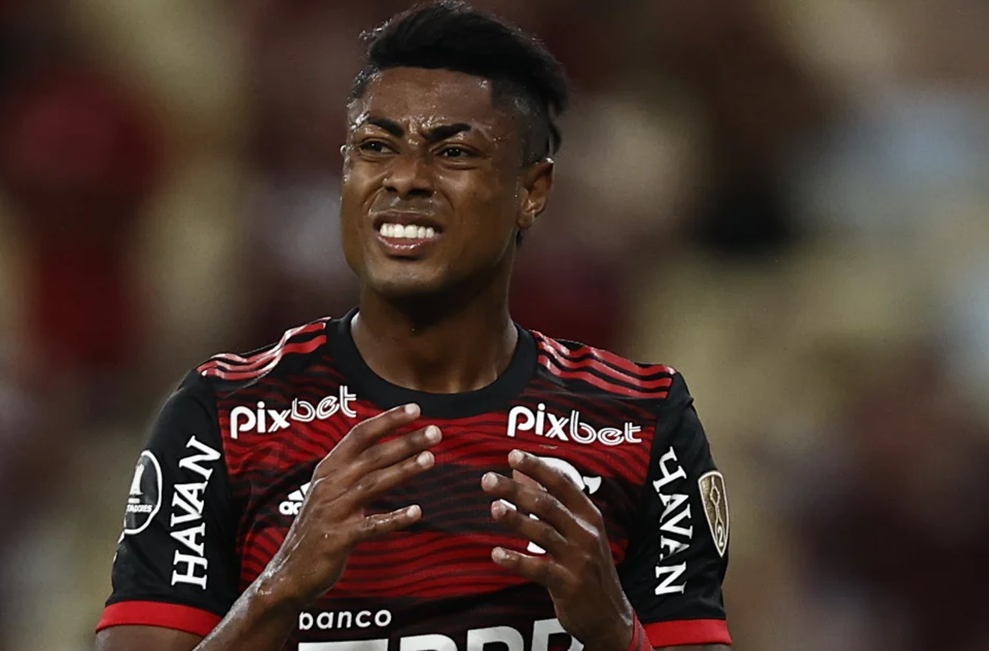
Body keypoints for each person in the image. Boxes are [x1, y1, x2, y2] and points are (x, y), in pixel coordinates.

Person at [93, 2, 731, 650]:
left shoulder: (644, 424)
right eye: (376, 147)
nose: (405, 178)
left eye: (452, 151)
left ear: (531, 191)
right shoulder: (222, 417)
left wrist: (612, 628)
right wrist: (278, 589)